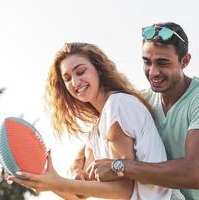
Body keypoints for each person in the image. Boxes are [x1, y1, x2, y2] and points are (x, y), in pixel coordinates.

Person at [82, 22, 199, 200]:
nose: (153, 72)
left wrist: (119, 166)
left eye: (162, 63)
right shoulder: (142, 102)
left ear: (185, 61)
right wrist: (80, 165)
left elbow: (194, 173)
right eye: (147, 62)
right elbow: (101, 139)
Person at [9, 42, 184, 200]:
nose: (75, 82)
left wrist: (57, 182)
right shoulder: (95, 131)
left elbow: (124, 191)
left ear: (98, 69)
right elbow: (78, 197)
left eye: (81, 71)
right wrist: (44, 180)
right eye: (67, 78)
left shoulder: (118, 106)